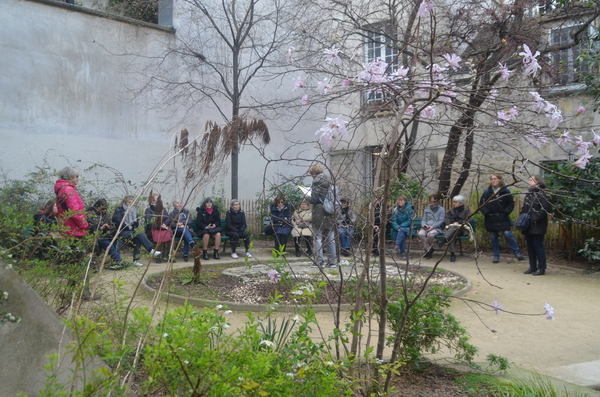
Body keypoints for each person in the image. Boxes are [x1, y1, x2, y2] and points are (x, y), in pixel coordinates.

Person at [479, 174, 525, 263]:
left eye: (495, 179)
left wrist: (506, 212)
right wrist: (487, 213)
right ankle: (496, 255)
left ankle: (517, 252)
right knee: (493, 237)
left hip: (502, 217)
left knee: (508, 234)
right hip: (491, 218)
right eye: (492, 179)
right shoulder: (487, 192)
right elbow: (481, 204)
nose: (493, 181)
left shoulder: (505, 191)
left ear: (500, 180)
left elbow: (511, 204)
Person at [113, 195, 160, 264]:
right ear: (125, 202)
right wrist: (128, 223)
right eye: (129, 202)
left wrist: (134, 221)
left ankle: (136, 260)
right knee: (138, 233)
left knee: (137, 239)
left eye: (132, 203)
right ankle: (150, 250)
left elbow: (136, 225)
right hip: (121, 232)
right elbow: (118, 222)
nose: (130, 204)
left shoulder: (133, 210)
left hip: (130, 232)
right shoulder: (119, 210)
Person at [305, 165, 337, 267]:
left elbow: (314, 199)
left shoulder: (316, 182)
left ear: (313, 174)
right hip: (330, 211)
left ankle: (320, 261)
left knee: (317, 237)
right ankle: (332, 261)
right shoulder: (330, 181)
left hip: (319, 211)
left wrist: (306, 196)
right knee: (330, 237)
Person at [521, 175, 552, 275]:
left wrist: (535, 218)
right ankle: (532, 267)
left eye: (531, 180)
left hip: (537, 224)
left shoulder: (543, 194)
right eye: (529, 180)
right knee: (530, 247)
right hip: (528, 224)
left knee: (538, 246)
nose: (529, 181)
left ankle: (541, 268)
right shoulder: (530, 194)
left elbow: (546, 208)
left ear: (538, 181)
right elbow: (524, 208)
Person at [87, 199, 126, 270]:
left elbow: (112, 223)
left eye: (105, 209)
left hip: (107, 234)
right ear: (97, 207)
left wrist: (110, 226)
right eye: (102, 209)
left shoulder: (107, 215)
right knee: (108, 244)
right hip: (97, 235)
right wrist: (101, 228)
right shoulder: (91, 214)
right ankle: (118, 261)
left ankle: (116, 262)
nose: (104, 211)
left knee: (117, 241)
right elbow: (92, 227)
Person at [54, 167, 88, 237]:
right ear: (71, 178)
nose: (78, 179)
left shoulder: (62, 189)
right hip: (74, 230)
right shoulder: (68, 190)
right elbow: (74, 212)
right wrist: (84, 224)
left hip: (67, 227)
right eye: (76, 177)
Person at [145, 192, 173, 263]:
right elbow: (149, 221)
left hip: (163, 228)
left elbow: (169, 218)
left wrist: (164, 224)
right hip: (154, 229)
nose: (159, 201)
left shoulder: (162, 209)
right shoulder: (148, 210)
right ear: (152, 201)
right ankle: (158, 257)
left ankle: (171, 256)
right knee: (160, 237)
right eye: (157, 199)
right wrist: (159, 226)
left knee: (171, 237)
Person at [442, 195, 471, 262]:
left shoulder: (466, 211)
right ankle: (452, 254)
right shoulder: (450, 211)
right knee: (452, 235)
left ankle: (445, 239)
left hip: (461, 229)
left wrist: (458, 223)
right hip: (451, 229)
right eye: (453, 202)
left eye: (456, 202)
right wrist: (452, 223)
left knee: (454, 228)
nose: (453, 203)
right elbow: (446, 219)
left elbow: (468, 220)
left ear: (461, 203)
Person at [418, 194, 446, 259]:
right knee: (420, 234)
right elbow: (424, 219)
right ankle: (430, 249)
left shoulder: (442, 209)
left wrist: (433, 226)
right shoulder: (427, 209)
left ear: (437, 202)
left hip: (436, 227)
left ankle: (428, 251)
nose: (432, 203)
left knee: (430, 235)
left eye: (433, 202)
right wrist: (424, 225)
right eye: (431, 201)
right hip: (427, 226)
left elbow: (441, 220)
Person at [390, 195, 413, 260]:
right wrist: (398, 228)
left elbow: (409, 220)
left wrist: (401, 226)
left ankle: (397, 246)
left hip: (408, 228)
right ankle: (403, 253)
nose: (399, 201)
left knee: (402, 230)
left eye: (401, 200)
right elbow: (393, 221)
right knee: (402, 234)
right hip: (398, 229)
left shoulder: (409, 210)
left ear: (405, 201)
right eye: (398, 200)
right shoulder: (395, 210)